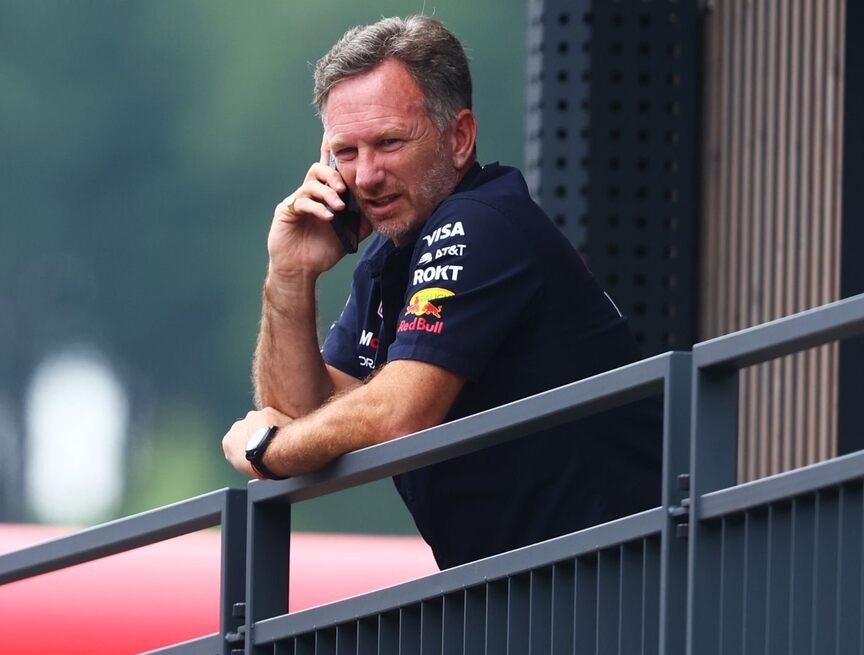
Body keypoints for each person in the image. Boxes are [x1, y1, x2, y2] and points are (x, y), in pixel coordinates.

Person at [221, 15, 661, 570]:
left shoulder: (480, 221)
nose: (366, 175)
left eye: (388, 142)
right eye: (346, 152)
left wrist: (267, 451)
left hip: (622, 573)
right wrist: (290, 275)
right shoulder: (388, 255)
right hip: (529, 584)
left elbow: (398, 413)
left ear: (459, 139)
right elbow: (305, 411)